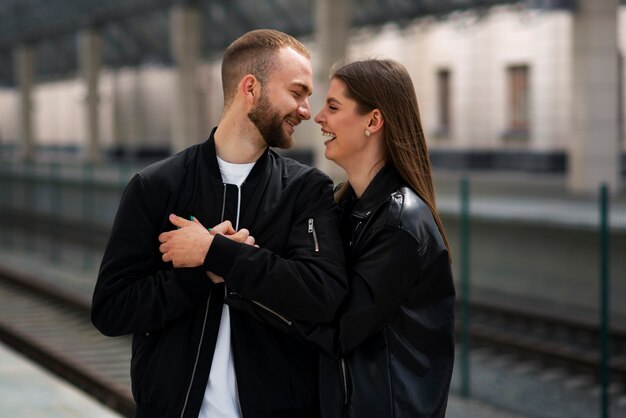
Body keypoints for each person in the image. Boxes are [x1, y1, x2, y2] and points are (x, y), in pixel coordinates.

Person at [91, 29, 347, 418]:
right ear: (250, 88)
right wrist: (200, 276)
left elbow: (322, 294)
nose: (306, 111)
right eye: (297, 93)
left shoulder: (306, 190)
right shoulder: (157, 186)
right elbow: (111, 309)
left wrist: (217, 254)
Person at [227, 59, 455, 417]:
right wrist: (241, 253)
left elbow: (335, 329)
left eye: (333, 107)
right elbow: (307, 282)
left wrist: (235, 271)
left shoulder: (400, 225)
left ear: (373, 121)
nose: (318, 117)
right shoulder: (344, 208)